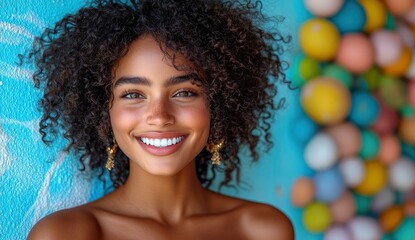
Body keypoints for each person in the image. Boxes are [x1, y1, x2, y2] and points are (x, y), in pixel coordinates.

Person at [26, 0, 294, 239]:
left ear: (219, 105)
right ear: (102, 112)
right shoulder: (65, 234)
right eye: (133, 94)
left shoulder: (262, 230)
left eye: (185, 92)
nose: (159, 116)